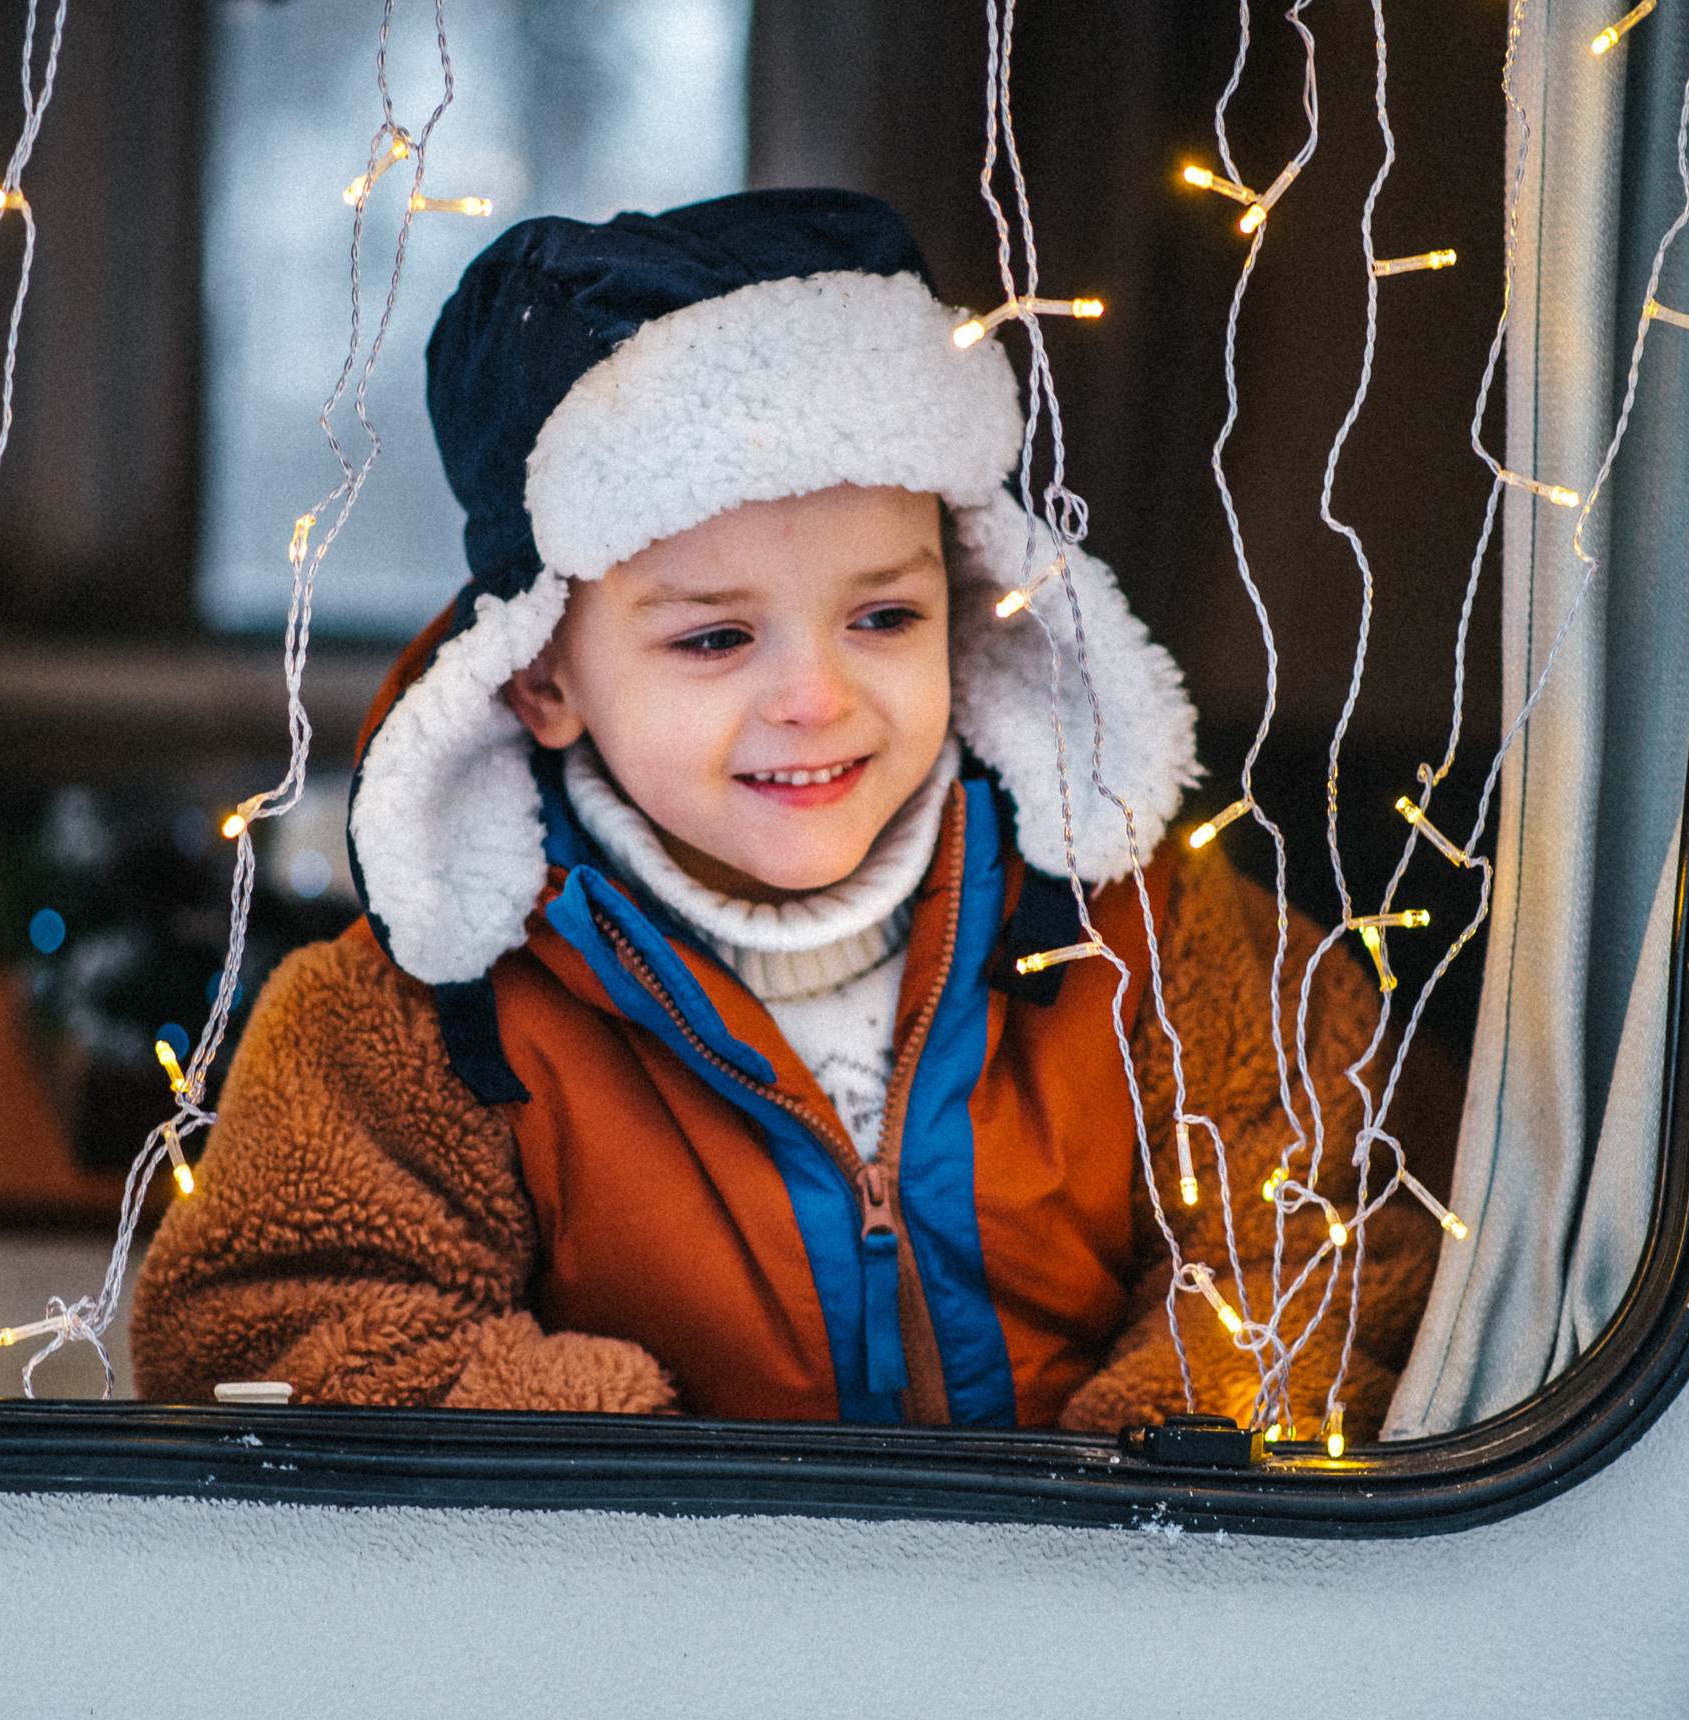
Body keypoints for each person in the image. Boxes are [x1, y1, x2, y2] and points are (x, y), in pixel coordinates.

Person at [131, 189, 1450, 1435]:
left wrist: (1139, 1488)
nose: (816, 699)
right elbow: (269, 1327)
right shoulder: (424, 1023)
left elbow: (1337, 1247)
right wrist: (647, 1488)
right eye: (715, 641)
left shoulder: (1159, 941)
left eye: (884, 617)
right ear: (541, 679)